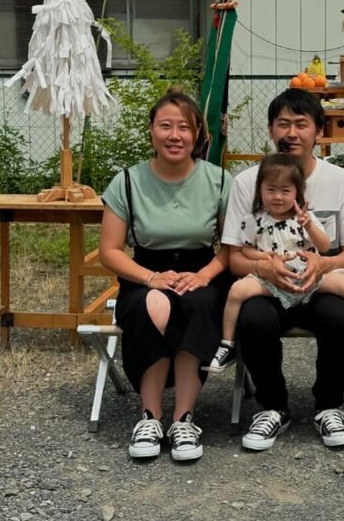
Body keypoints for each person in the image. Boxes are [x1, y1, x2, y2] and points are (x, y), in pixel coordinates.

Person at [222, 89, 344, 451]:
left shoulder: (342, 182)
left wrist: (325, 264)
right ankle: (272, 407)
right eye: (283, 124)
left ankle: (329, 406)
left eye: (301, 124)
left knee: (338, 316)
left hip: (318, 286)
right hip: (269, 286)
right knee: (254, 319)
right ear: (271, 130)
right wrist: (264, 268)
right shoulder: (248, 183)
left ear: (318, 131)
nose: (291, 133)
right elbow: (233, 258)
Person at [99, 88, 233, 463]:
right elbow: (109, 250)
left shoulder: (219, 181)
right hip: (145, 272)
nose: (175, 136)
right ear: (151, 132)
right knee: (150, 308)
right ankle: (150, 416)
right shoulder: (126, 181)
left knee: (200, 304)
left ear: (198, 136)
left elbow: (233, 246)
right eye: (166, 127)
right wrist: (150, 278)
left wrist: (206, 275)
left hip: (202, 272)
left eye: (184, 128)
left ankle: (184, 418)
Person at [207, 152, 344, 376]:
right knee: (237, 290)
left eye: (285, 191)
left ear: (297, 193)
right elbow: (245, 249)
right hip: (272, 279)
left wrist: (309, 225)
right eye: (270, 190)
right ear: (260, 191)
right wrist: (263, 259)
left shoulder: (304, 218)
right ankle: (227, 344)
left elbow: (324, 244)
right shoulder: (254, 221)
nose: (278, 197)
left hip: (308, 276)